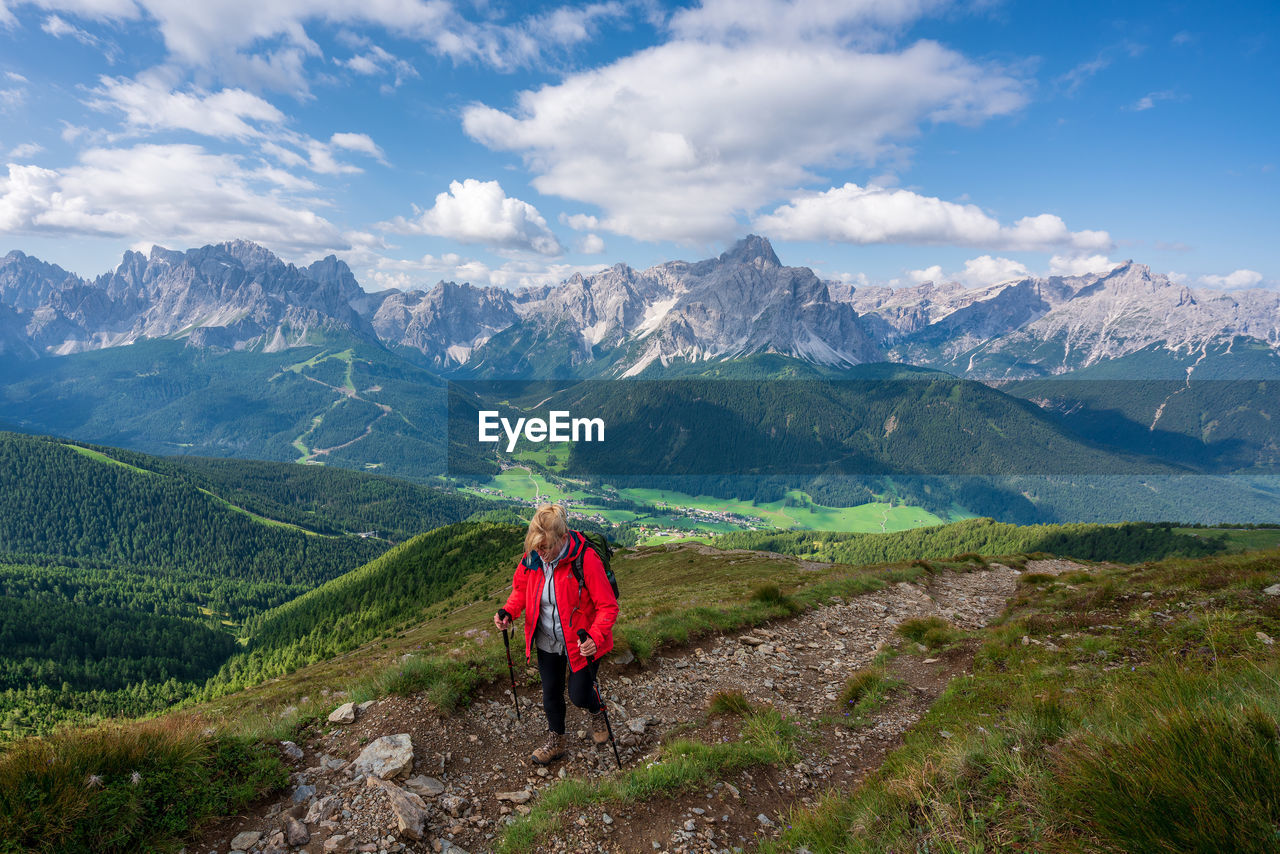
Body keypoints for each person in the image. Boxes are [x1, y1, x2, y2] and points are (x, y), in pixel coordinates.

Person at [494, 504, 619, 765]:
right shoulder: (533, 559)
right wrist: (508, 611)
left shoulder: (586, 559)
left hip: (582, 643)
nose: (541, 553)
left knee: (579, 695)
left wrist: (594, 638)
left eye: (546, 547)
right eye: (537, 547)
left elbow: (608, 606)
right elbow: (520, 590)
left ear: (562, 539)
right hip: (547, 638)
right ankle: (556, 741)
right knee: (550, 692)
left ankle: (596, 709)